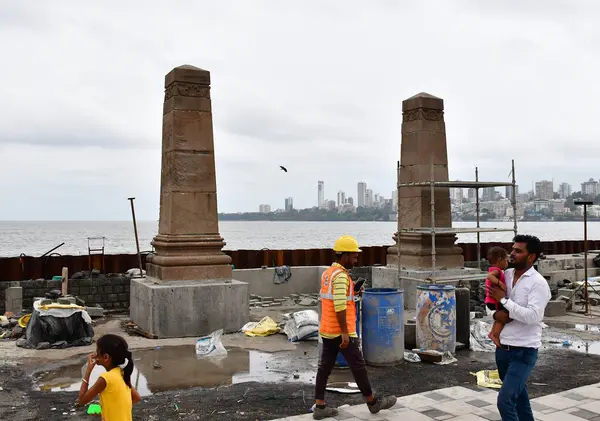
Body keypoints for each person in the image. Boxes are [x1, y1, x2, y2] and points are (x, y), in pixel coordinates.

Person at [313, 235, 397, 420]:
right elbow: (340, 306)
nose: (356, 259)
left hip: (327, 330)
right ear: (344, 256)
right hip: (342, 332)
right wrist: (344, 332)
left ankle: (320, 407)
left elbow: (335, 297)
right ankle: (373, 403)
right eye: (354, 256)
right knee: (358, 367)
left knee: (324, 368)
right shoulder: (341, 277)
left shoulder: (328, 274)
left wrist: (354, 291)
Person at [487, 234, 551, 421]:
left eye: (518, 251)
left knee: (505, 400)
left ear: (531, 257)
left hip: (524, 351)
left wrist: (504, 300)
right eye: (512, 249)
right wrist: (494, 314)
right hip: (502, 349)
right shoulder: (504, 275)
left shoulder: (537, 283)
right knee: (520, 399)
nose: (511, 253)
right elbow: (490, 301)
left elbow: (533, 316)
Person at [78, 334, 142, 421]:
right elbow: (136, 398)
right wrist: (111, 410)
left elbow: (82, 400)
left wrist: (88, 370)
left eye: (97, 350)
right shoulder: (122, 373)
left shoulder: (105, 379)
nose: (95, 354)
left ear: (106, 357)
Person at [485, 246, 510, 347]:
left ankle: (493, 333)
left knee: (499, 317)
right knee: (505, 315)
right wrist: (500, 283)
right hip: (494, 301)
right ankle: (495, 334)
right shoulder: (496, 271)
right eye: (506, 260)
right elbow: (489, 276)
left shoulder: (493, 269)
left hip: (490, 300)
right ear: (500, 260)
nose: (507, 263)